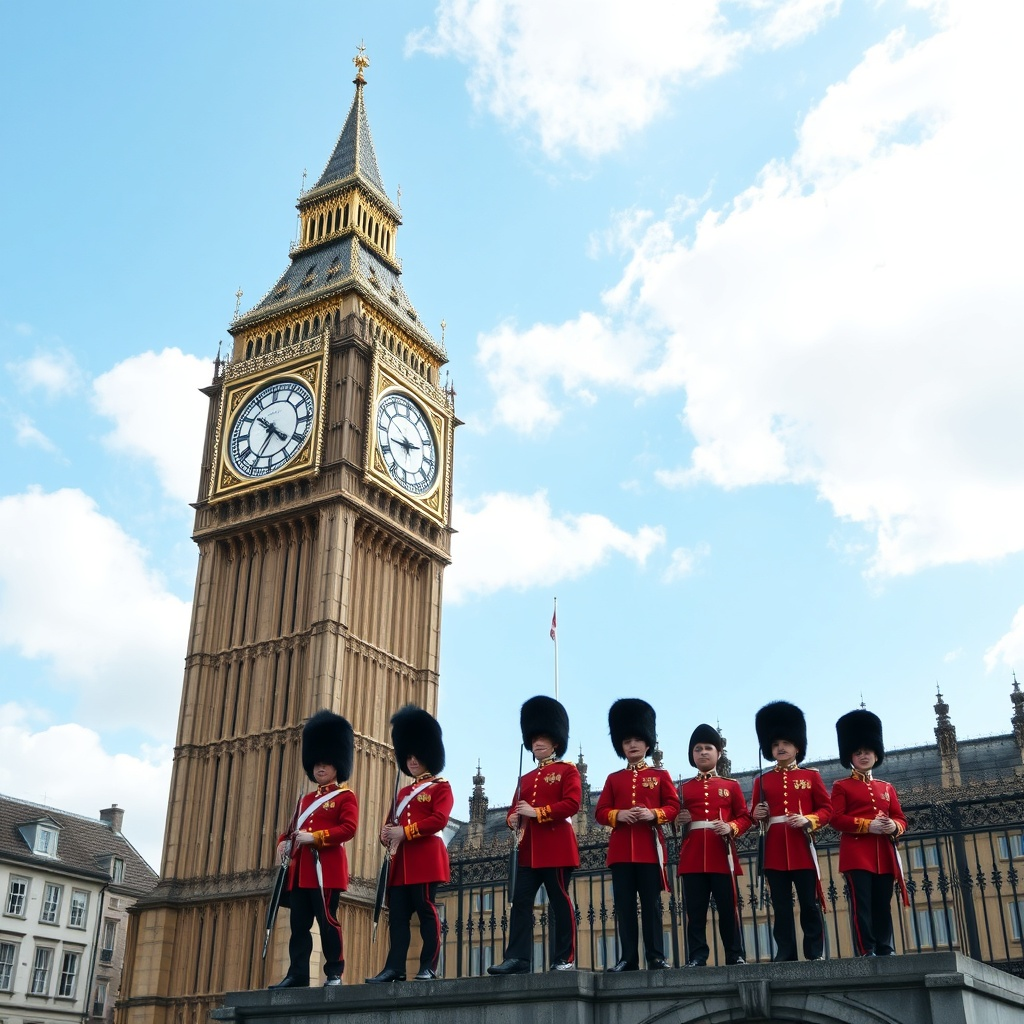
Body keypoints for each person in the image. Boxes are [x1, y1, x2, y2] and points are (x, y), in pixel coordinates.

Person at [488, 695, 581, 975]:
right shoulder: (525, 778)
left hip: (555, 846)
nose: (537, 742)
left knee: (559, 902)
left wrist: (537, 812)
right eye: (534, 738)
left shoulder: (567, 770)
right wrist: (512, 819)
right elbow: (514, 809)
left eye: (543, 738)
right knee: (520, 903)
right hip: (528, 849)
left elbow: (572, 804)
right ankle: (518, 958)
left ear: (555, 742)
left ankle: (564, 956)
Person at [270, 709, 359, 988]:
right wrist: (282, 843)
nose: (320, 768)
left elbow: (348, 829)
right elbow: (291, 830)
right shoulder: (305, 799)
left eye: (327, 764)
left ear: (337, 766)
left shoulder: (345, 797)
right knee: (299, 927)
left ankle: (334, 972)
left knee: (327, 922)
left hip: (326, 872)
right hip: (300, 873)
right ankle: (297, 973)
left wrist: (316, 837)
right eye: (317, 764)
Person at [366, 705, 454, 983]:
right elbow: (390, 826)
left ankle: (429, 966)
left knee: (428, 915)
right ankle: (395, 967)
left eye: (417, 754)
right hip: (402, 865)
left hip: (426, 861)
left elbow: (438, 820)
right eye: (409, 755)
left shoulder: (441, 787)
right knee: (398, 919)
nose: (413, 760)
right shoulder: (403, 791)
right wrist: (386, 835)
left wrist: (405, 832)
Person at [594, 698, 680, 971]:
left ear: (647, 744)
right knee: (625, 907)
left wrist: (652, 814)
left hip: (648, 849)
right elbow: (601, 811)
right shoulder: (613, 778)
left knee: (652, 906)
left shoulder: (660, 774)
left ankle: (656, 956)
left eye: (637, 740)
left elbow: (674, 806)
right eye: (627, 740)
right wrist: (618, 815)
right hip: (621, 851)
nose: (632, 745)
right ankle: (627, 958)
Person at [751, 701, 832, 962]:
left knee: (809, 903)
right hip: (774, 850)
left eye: (786, 743)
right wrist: (757, 814)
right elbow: (754, 814)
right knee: (782, 906)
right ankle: (785, 951)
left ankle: (814, 950)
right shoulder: (760, 780)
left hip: (801, 847)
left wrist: (809, 820)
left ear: (798, 746)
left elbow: (826, 810)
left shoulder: (811, 777)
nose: (781, 748)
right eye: (775, 745)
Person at [831, 709, 908, 957]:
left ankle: (885, 946)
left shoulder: (887, 787)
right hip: (857, 854)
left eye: (867, 751)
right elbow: (836, 818)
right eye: (858, 752)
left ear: (876, 754)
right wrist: (867, 825)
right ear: (850, 757)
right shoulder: (841, 786)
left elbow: (900, 818)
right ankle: (867, 948)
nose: (863, 756)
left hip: (883, 854)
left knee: (882, 905)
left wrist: (894, 827)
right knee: (861, 905)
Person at [677, 723, 751, 967]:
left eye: (708, 748)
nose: (703, 752)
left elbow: (744, 817)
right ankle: (697, 956)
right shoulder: (684, 788)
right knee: (695, 913)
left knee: (728, 909)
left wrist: (731, 828)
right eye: (698, 749)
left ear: (718, 753)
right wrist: (678, 821)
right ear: (692, 755)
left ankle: (734, 954)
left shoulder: (731, 786)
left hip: (722, 854)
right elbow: (673, 821)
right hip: (693, 856)